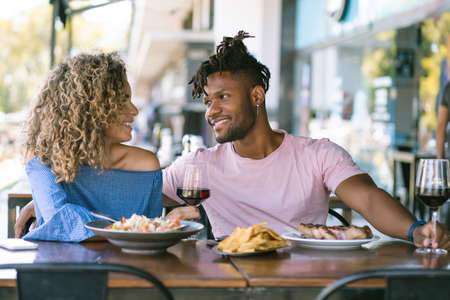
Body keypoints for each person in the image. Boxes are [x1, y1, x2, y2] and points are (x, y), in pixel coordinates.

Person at [16, 32, 449, 250]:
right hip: (226, 285)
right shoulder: (199, 166)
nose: (212, 110)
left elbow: (370, 201)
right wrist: (55, 196)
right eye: (208, 101)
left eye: (223, 97)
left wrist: (415, 230)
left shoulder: (317, 155)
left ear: (256, 96)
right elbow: (134, 203)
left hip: (312, 286)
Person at [19, 53, 162, 242]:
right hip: (61, 269)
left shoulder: (146, 164)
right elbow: (60, 219)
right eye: (122, 100)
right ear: (92, 107)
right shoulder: (42, 155)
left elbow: (152, 234)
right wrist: (126, 229)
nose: (134, 110)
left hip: (128, 270)